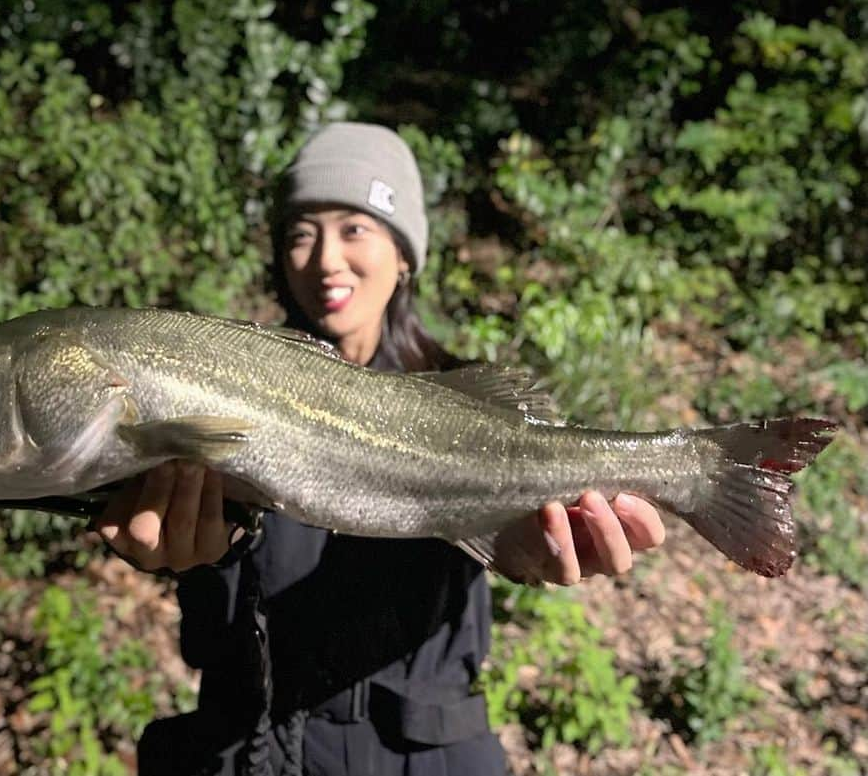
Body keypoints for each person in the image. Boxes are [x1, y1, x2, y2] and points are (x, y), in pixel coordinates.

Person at [93, 122, 666, 776]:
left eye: (355, 227)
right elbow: (214, 628)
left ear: (404, 254)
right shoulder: (220, 386)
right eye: (300, 233)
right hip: (250, 752)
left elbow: (496, 547)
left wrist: (533, 548)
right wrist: (193, 558)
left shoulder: (471, 400)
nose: (326, 258)